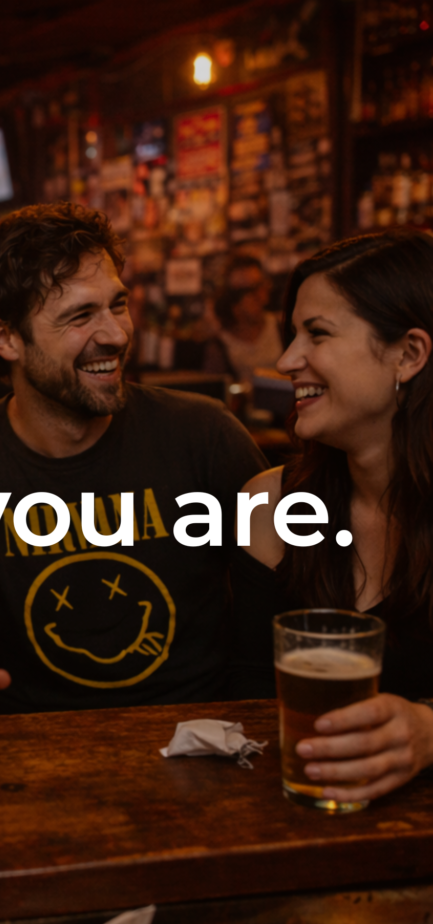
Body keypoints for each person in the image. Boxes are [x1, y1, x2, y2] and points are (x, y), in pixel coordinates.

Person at [0, 202, 268, 785]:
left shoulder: (206, 435)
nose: (114, 334)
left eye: (117, 304)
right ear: (4, 337)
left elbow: (290, 609)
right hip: (30, 759)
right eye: (79, 316)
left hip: (202, 754)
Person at [237, 230, 433, 804]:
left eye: (316, 334)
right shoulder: (269, 507)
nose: (286, 360)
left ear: (409, 354)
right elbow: (245, 705)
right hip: (301, 827)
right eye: (292, 334)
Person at [212, 257, 283, 385]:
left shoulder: (282, 327)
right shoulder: (220, 344)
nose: (256, 296)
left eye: (258, 286)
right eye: (245, 292)